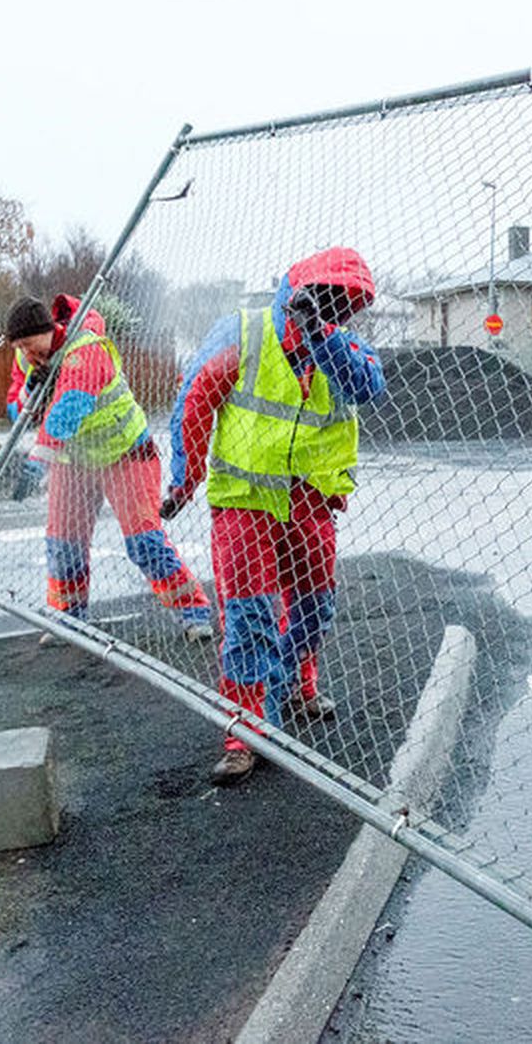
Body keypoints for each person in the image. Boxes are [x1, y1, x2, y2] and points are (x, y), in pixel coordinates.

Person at [164, 247, 386, 785]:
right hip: (245, 499)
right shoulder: (244, 332)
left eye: (341, 305)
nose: (331, 309)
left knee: (315, 606)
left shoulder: (340, 346)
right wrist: (184, 481)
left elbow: (368, 386)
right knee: (250, 617)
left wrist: (322, 337)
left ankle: (293, 684)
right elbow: (195, 400)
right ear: (294, 291)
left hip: (311, 501)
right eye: (321, 299)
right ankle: (245, 732)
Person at [4, 295, 214, 640]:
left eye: (30, 344)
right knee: (63, 543)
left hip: (126, 453)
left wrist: (36, 464)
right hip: (74, 461)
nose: (27, 354)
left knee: (144, 540)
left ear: (50, 330)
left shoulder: (86, 350)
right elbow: (15, 409)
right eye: (20, 347)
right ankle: (68, 619)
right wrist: (30, 389)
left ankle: (193, 611)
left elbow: (69, 410)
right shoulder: (26, 358)